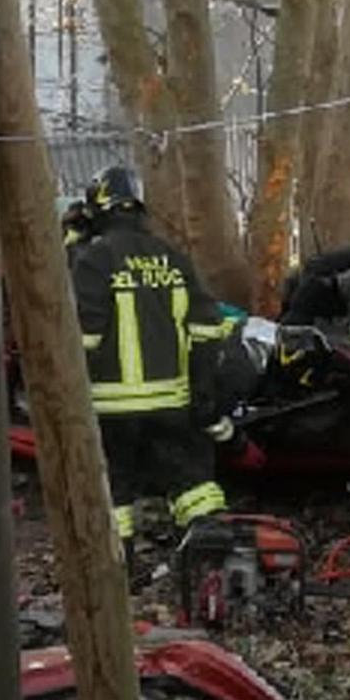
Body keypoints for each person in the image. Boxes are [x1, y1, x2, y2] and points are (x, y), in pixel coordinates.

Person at [66, 165, 231, 554]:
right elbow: (208, 328)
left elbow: (83, 336)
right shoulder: (172, 257)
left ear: (97, 210)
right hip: (172, 404)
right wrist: (202, 394)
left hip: (111, 408)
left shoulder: (93, 259)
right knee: (194, 486)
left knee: (115, 492)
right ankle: (211, 567)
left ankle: (116, 571)